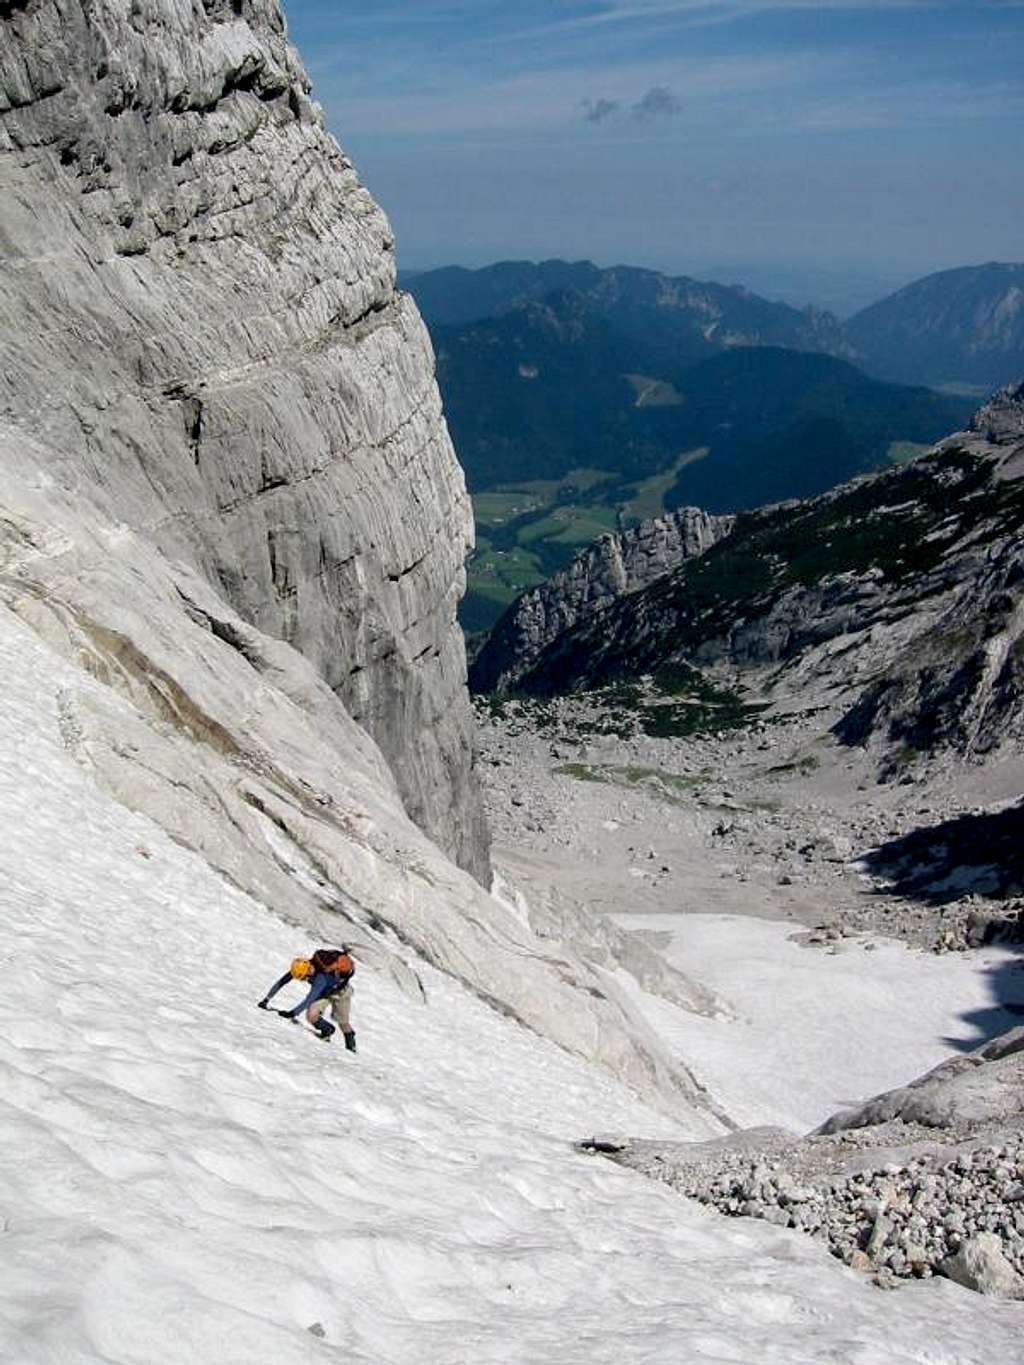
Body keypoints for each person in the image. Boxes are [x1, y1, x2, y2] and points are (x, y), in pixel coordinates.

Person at [258, 947, 357, 1050]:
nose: (305, 980)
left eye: (304, 977)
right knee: (311, 1015)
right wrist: (266, 999)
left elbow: (310, 998)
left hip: (341, 993)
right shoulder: (302, 967)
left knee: (343, 1022)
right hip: (324, 994)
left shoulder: (320, 979)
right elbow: (282, 981)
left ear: (308, 970)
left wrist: (292, 1013)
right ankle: (328, 1030)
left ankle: (351, 1046)